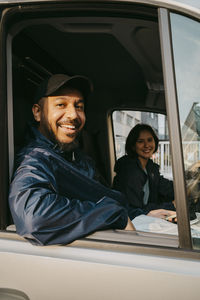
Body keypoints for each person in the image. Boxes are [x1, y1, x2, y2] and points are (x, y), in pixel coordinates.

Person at [9, 73, 134, 246]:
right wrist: (112, 215)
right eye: (61, 104)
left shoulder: (78, 157)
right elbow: (35, 217)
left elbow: (104, 197)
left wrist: (142, 213)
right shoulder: (35, 159)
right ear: (37, 113)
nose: (73, 115)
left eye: (79, 106)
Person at [113, 124, 176, 220]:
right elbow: (135, 210)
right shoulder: (129, 171)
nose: (147, 145)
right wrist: (172, 205)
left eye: (150, 140)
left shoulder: (150, 167)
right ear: (133, 146)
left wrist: (185, 187)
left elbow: (163, 186)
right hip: (133, 221)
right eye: (140, 141)